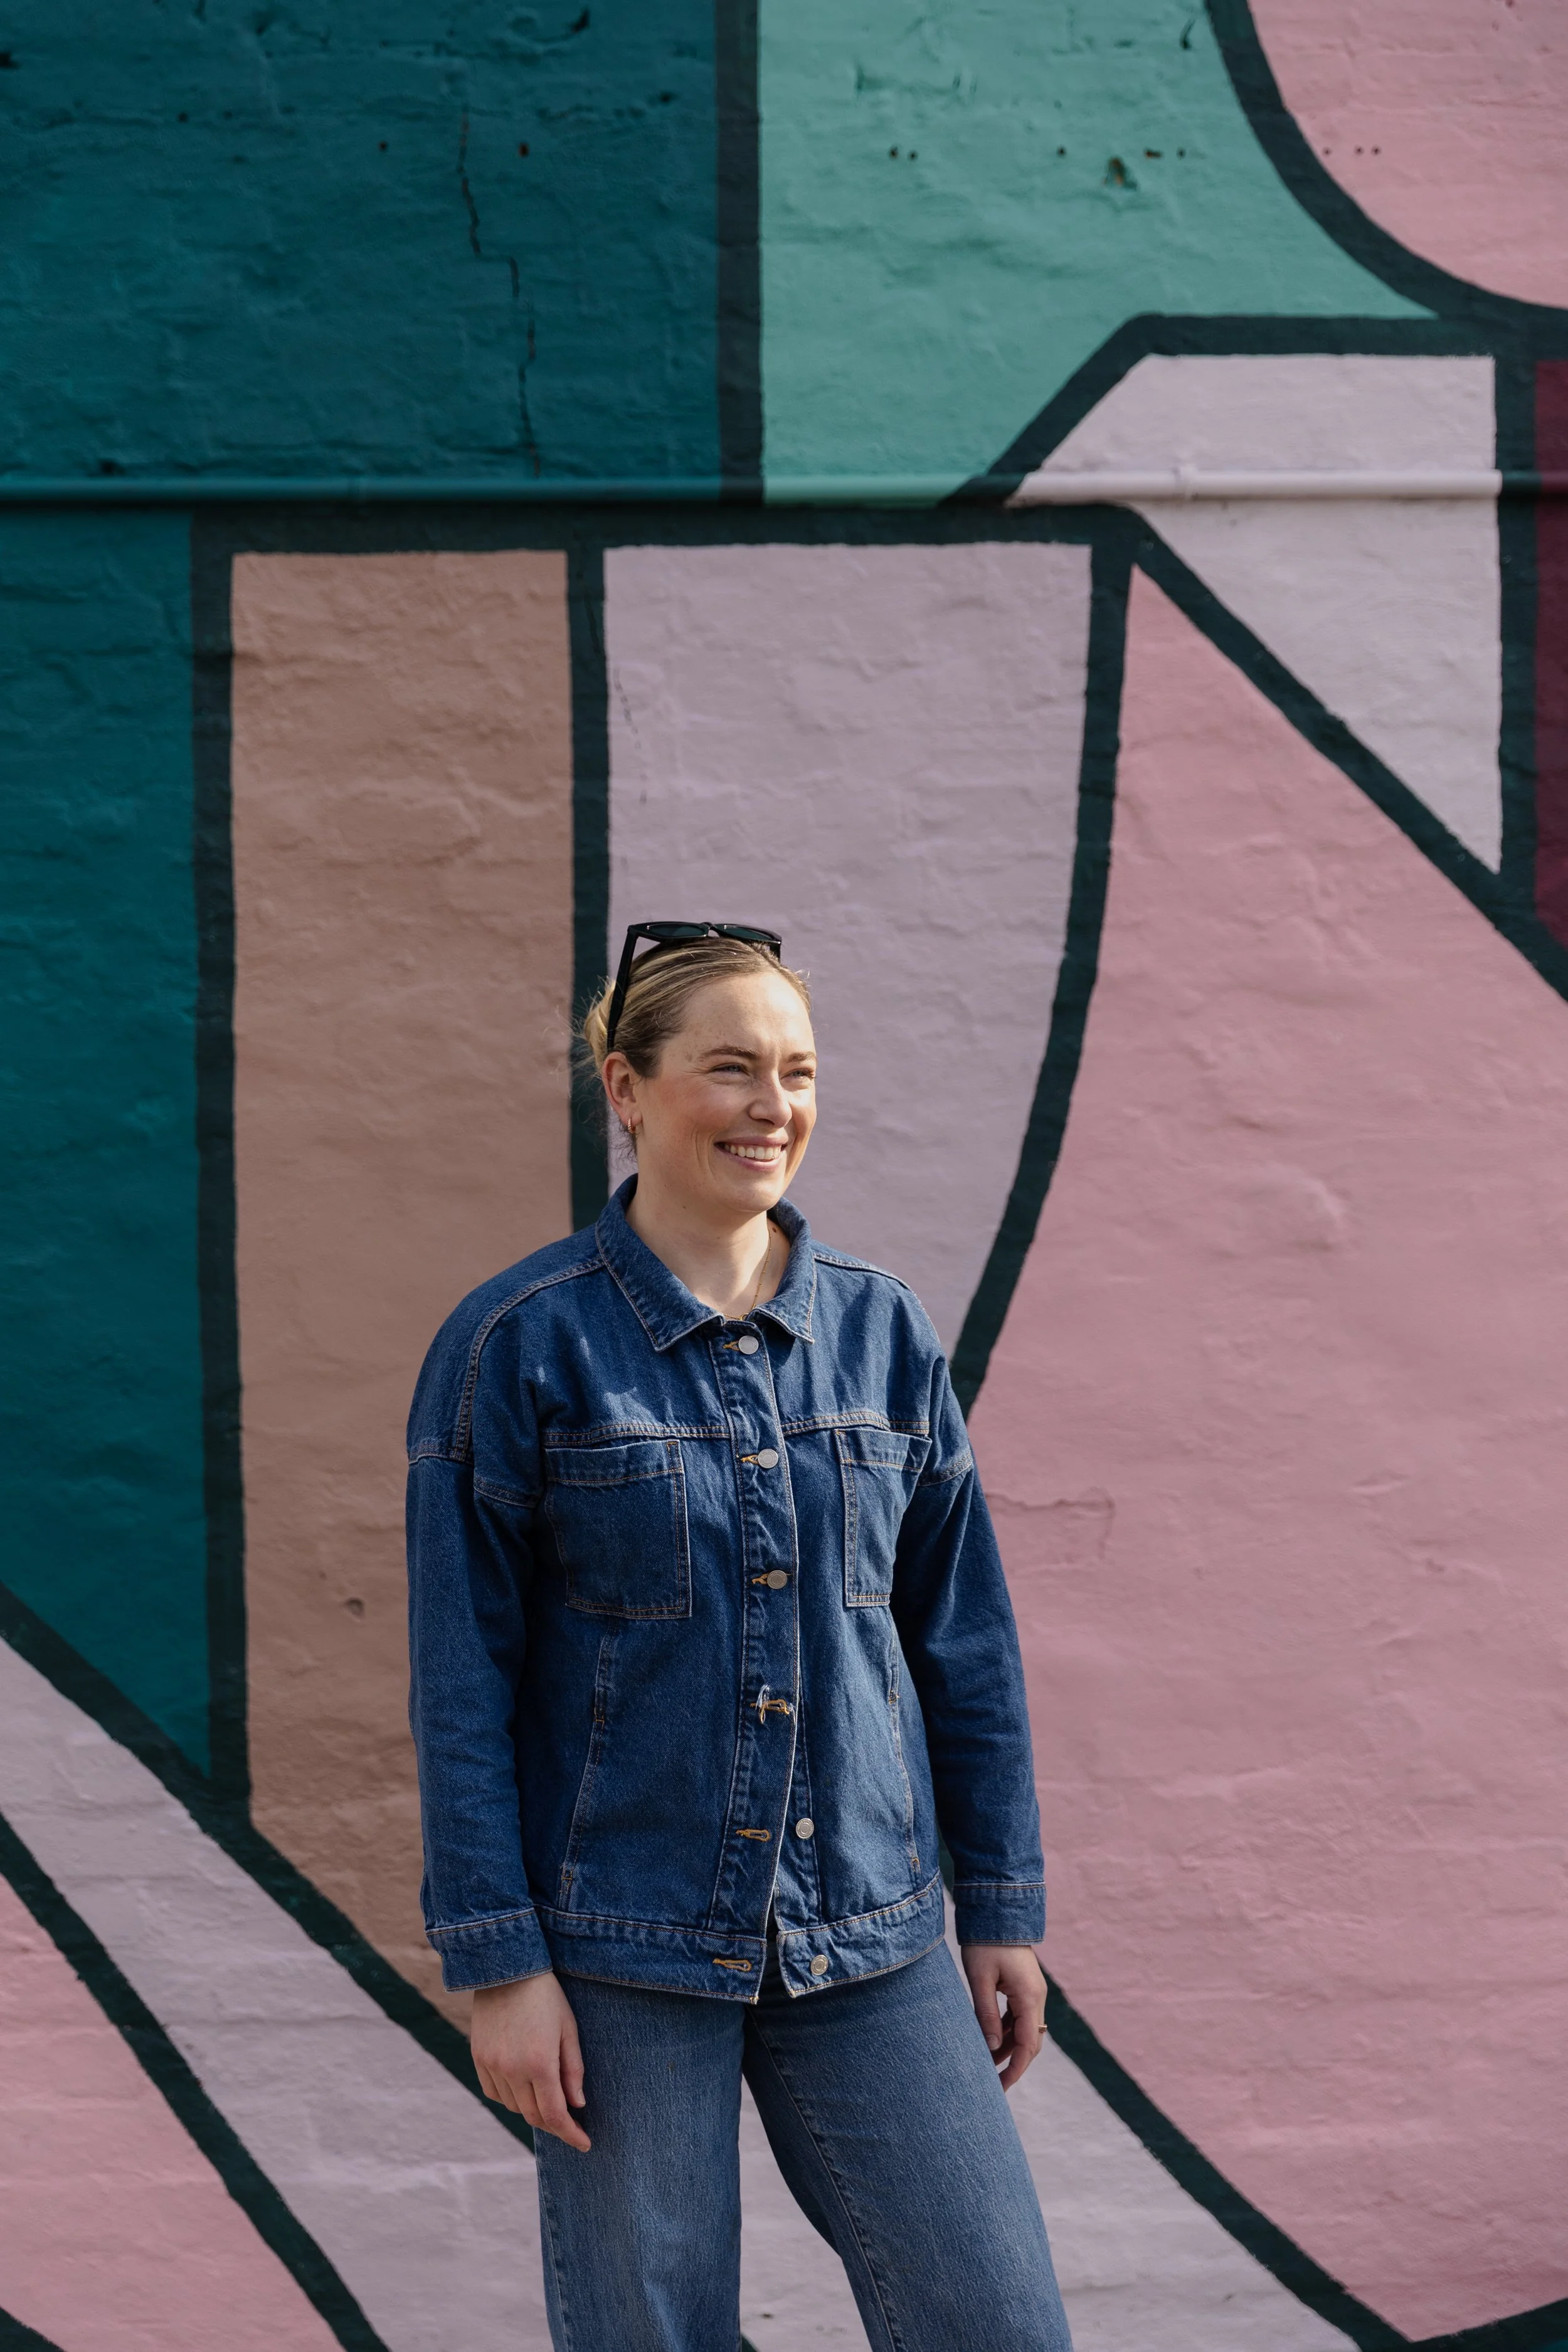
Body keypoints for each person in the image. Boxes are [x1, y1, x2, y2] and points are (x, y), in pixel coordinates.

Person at [406, 922, 1074, 2352]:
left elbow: (961, 1644)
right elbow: (463, 1681)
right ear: (625, 1088)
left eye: (796, 1070)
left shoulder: (883, 1335)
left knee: (995, 2322)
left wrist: (1002, 1902)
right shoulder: (515, 1346)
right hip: (617, 1944)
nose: (771, 1105)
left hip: (872, 1931)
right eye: (728, 1068)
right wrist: (499, 1967)